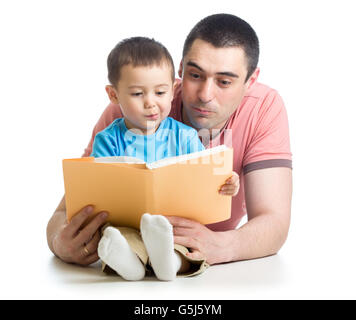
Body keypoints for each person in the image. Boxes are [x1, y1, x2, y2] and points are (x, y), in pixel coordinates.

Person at [47, 13, 292, 270]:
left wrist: (222, 246)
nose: (205, 95)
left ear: (250, 81)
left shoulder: (264, 108)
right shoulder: (133, 106)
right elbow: (68, 208)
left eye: (224, 81)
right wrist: (57, 242)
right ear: (181, 69)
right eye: (195, 75)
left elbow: (273, 221)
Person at [88, 37, 238, 280]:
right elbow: (98, 189)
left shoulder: (186, 137)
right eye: (137, 93)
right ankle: (130, 265)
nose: (151, 103)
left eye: (160, 92)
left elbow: (205, 180)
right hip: (127, 225)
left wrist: (228, 182)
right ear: (113, 95)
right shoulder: (107, 140)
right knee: (116, 237)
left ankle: (168, 261)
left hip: (175, 227)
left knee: (187, 245)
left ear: (172, 91)